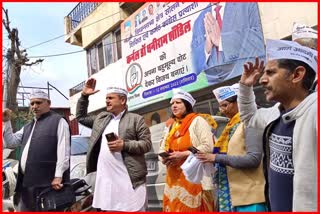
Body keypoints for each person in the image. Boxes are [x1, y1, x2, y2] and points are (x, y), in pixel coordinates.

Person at [238, 39, 317, 211]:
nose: (262, 80)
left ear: (297, 75)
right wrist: (244, 86)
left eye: (271, 72)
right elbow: (250, 118)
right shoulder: (276, 112)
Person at [76, 78, 152, 211]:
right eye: (106, 98)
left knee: (134, 208)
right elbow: (81, 117)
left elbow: (146, 144)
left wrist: (124, 145)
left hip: (129, 179)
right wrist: (84, 96)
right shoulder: (101, 118)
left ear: (122, 100)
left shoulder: (135, 119)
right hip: (107, 181)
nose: (107, 101)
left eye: (111, 98)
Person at [195, 83, 267, 211]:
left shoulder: (250, 122)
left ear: (240, 102)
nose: (222, 110)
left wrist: (216, 157)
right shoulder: (230, 126)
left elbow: (253, 159)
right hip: (233, 192)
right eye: (220, 106)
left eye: (225, 105)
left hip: (250, 193)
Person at [2, 89, 71, 211]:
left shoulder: (58, 121)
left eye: (38, 102)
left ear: (48, 103)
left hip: (47, 183)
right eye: (32, 103)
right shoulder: (28, 126)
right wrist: (6, 122)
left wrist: (58, 176)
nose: (34, 106)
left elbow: (63, 149)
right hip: (26, 183)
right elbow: (11, 142)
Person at [159, 88, 215, 212]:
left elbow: (208, 146)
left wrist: (184, 155)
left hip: (195, 177)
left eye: (178, 102)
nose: (174, 106)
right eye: (172, 103)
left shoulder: (198, 121)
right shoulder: (171, 125)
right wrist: (165, 159)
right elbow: (162, 148)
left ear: (187, 104)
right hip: (173, 178)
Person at [191, 2, 265, 85]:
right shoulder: (199, 21)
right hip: (216, 88)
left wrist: (221, 40)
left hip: (250, 78)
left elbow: (261, 38)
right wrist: (206, 47)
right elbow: (195, 66)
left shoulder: (247, 4)